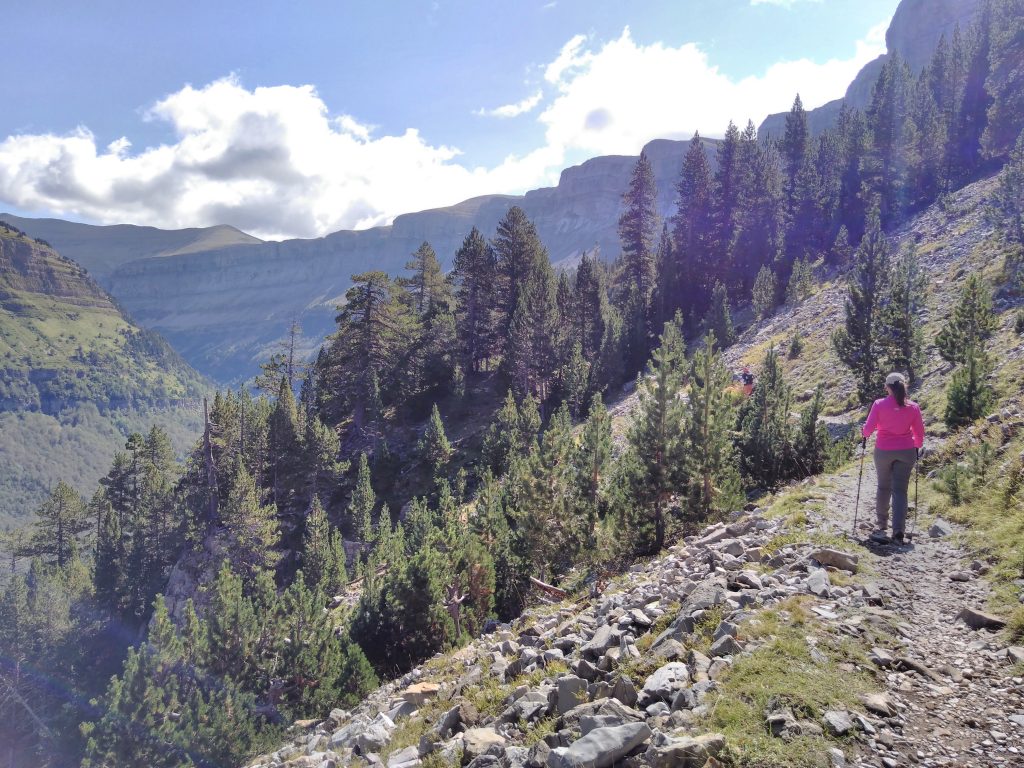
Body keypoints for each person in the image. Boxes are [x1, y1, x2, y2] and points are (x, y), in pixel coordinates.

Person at [861, 372, 925, 544]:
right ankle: (899, 530)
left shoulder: (879, 404)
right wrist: (916, 446)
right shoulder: (913, 407)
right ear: (903, 386)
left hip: (884, 450)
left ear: (887, 387)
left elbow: (868, 430)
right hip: (906, 451)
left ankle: (882, 524)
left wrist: (863, 432)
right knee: (900, 491)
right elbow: (919, 433)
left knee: (883, 487)